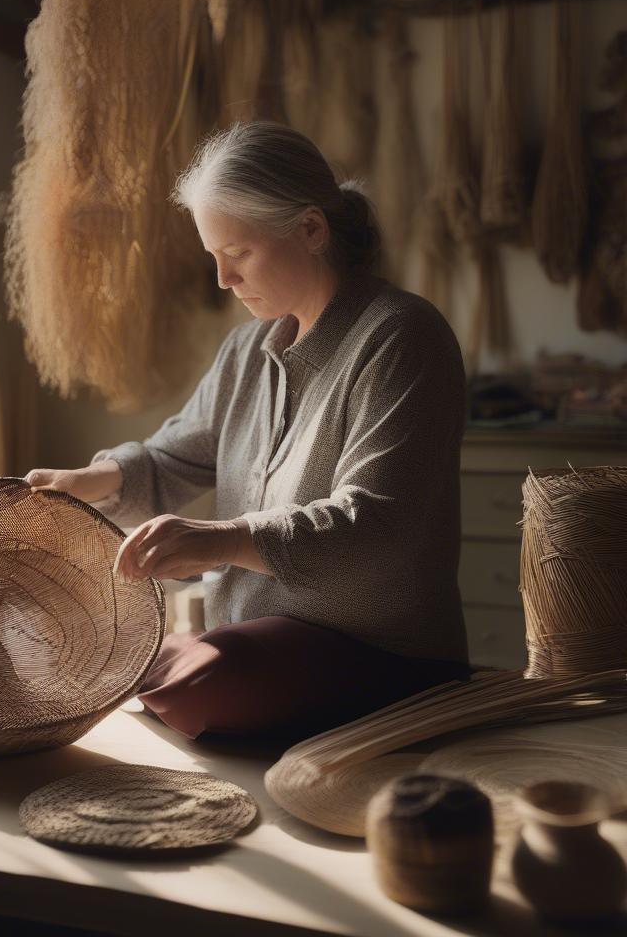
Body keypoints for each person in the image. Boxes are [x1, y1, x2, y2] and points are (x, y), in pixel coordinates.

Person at [25, 120, 470, 742]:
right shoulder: (247, 350)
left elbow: (378, 529)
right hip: (257, 646)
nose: (223, 280)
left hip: (384, 654)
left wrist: (218, 540)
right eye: (214, 257)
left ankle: (180, 661)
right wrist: (90, 482)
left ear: (311, 229)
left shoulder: (401, 336)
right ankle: (179, 659)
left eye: (238, 254)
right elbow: (172, 459)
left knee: (206, 681)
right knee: (136, 653)